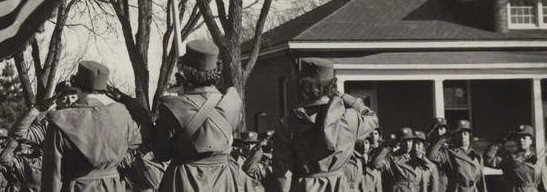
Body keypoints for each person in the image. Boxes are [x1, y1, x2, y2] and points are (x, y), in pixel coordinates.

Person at [151, 39, 246, 192]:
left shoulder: (172, 107)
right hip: (222, 180)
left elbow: (162, 154)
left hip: (184, 180)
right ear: (217, 69)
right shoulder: (232, 104)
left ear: (184, 72)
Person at [272, 58, 379, 192]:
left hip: (305, 186)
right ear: (332, 86)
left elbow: (283, 171)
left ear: (303, 88)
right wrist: (344, 96)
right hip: (339, 186)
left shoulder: (288, 122)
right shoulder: (350, 118)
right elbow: (372, 117)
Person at [35, 61, 140, 192]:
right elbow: (144, 136)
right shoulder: (121, 115)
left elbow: (53, 174)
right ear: (104, 88)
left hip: (77, 187)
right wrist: (128, 101)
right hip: (113, 186)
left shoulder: (60, 120)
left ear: (76, 84)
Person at [426, 121, 482, 192]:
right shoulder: (448, 153)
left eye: (465, 133)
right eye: (459, 134)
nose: (462, 136)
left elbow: (481, 182)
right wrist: (444, 137)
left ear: (469, 136)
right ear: (453, 136)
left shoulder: (476, 156)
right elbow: (431, 156)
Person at [483, 126, 542, 192]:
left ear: (531, 141)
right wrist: (497, 143)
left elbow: (543, 186)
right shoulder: (510, 159)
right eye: (518, 138)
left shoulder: (538, 161)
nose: (521, 140)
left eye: (524, 138)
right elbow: (488, 160)